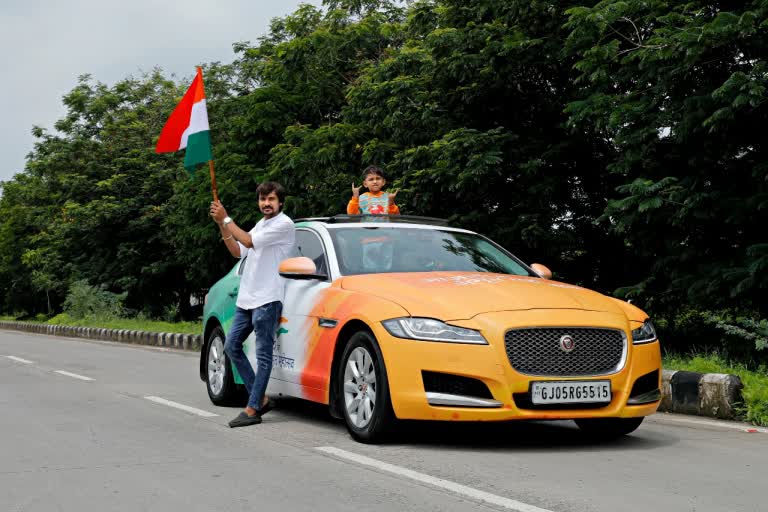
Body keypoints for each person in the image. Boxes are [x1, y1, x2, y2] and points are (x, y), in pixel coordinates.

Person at [209, 181, 296, 428]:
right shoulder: (262, 224)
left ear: (280, 202)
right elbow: (238, 250)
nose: (266, 204)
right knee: (231, 346)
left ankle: (253, 407)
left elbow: (247, 241)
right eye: (262, 199)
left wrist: (226, 219)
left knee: (263, 355)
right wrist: (222, 225)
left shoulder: (284, 224)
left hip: (268, 299)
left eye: (271, 199)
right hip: (247, 299)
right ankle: (261, 399)